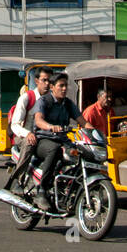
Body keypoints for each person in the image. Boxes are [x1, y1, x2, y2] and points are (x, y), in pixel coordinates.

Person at [30, 73, 88, 212]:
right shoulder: (44, 101)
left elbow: (83, 122)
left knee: (81, 153)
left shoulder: (68, 104)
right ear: (52, 87)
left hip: (63, 140)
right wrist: (50, 126)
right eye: (60, 86)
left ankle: (67, 188)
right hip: (43, 139)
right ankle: (42, 191)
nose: (64, 89)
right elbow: (38, 120)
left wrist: (97, 134)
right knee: (54, 149)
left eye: (65, 86)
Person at [4, 67, 52, 191]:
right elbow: (15, 125)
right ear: (36, 81)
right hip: (23, 137)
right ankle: (17, 181)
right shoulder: (27, 98)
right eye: (44, 80)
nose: (47, 84)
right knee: (29, 143)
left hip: (44, 138)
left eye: (50, 81)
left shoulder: (53, 100)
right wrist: (28, 133)